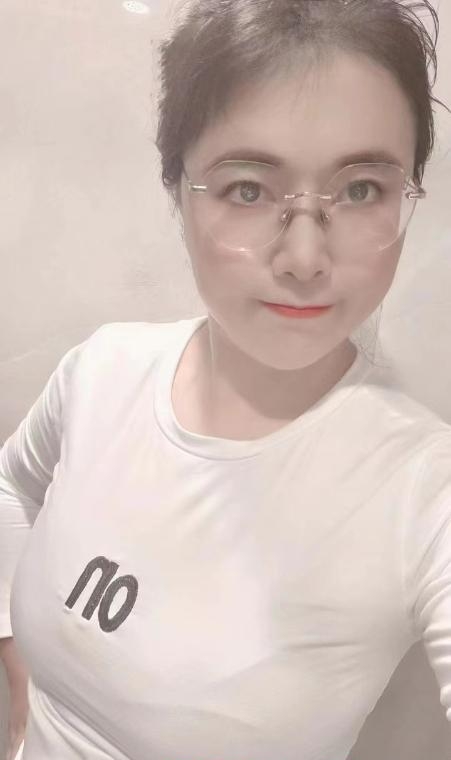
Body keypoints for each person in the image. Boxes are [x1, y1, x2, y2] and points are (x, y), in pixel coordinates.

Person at [1, 0, 450, 758]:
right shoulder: (104, 369)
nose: (304, 258)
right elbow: (11, 486)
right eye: (248, 188)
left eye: (360, 190)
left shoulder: (424, 491)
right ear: (177, 190)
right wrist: (17, 656)